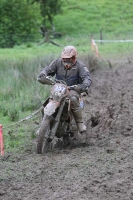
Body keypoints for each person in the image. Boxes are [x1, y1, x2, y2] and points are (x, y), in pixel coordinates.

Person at [37, 46, 92, 133]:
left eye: (69, 59)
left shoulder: (80, 66)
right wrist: (43, 73)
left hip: (73, 89)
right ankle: (44, 125)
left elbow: (87, 77)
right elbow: (47, 69)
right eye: (65, 59)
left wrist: (84, 85)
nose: (67, 61)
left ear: (74, 58)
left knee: (73, 99)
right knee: (46, 103)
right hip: (58, 88)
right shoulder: (57, 62)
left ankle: (79, 123)